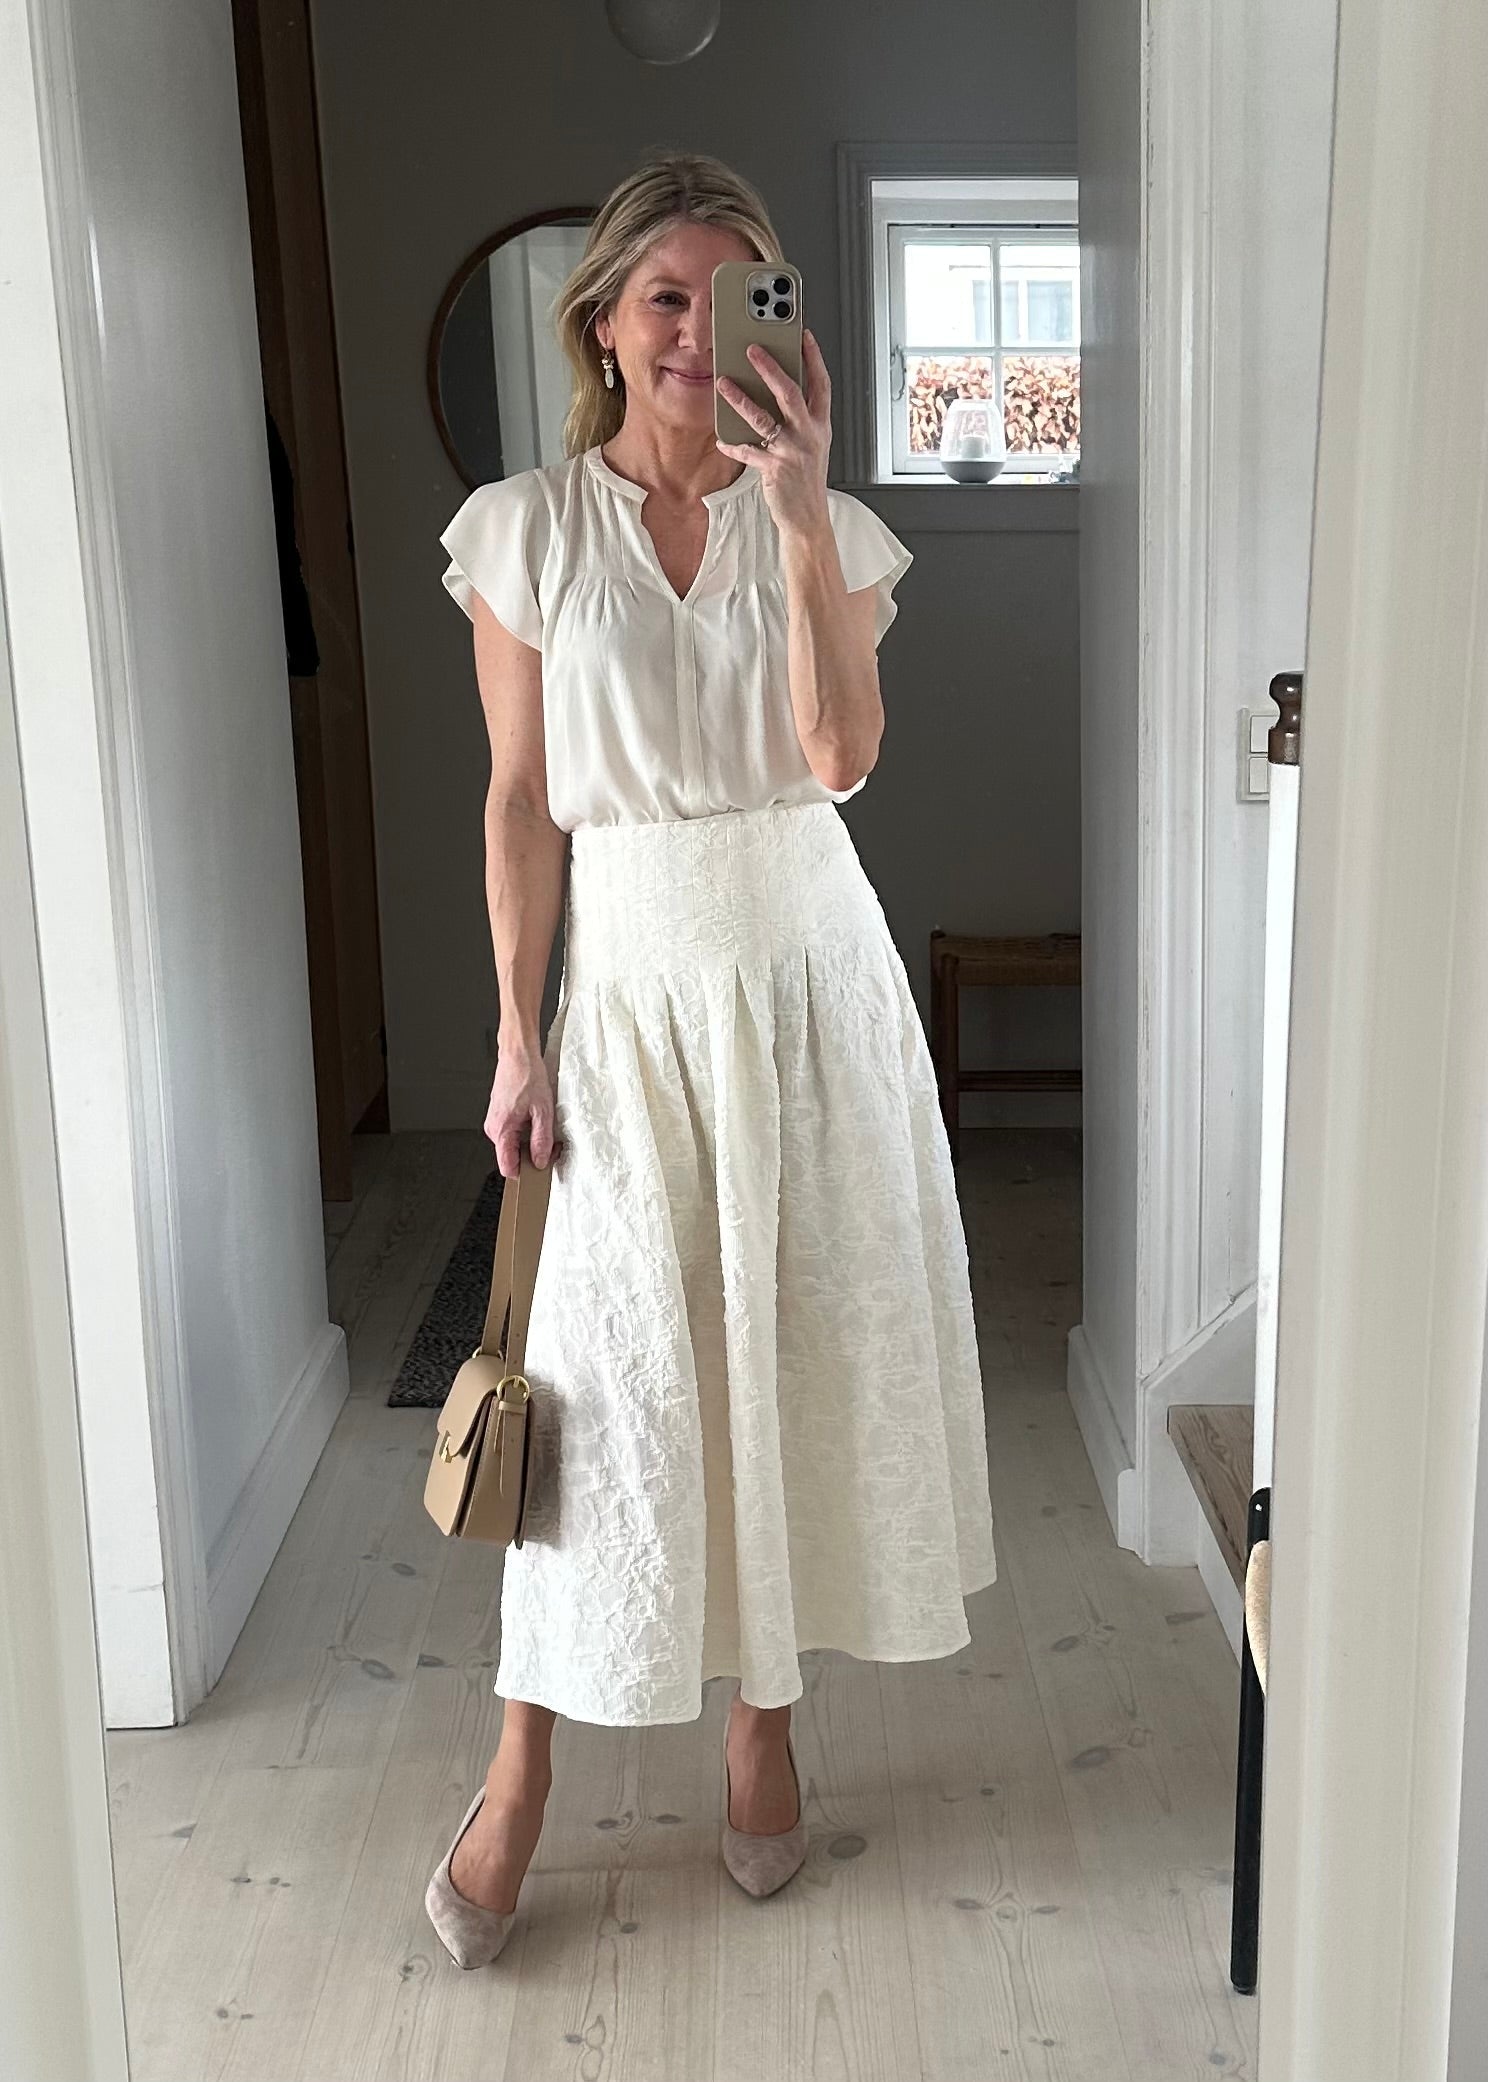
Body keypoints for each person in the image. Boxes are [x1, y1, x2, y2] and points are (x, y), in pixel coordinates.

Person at [423, 150, 996, 1969]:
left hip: (810, 982)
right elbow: (522, 803)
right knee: (598, 1390)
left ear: (777, 321)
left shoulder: (827, 526)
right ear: (601, 322)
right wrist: (516, 1030)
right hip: (632, 993)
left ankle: (764, 1727)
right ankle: (520, 1773)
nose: (693, 332)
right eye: (661, 297)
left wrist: (806, 515)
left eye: (731, 295)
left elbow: (841, 757)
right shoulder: (525, 532)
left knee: (790, 1348)